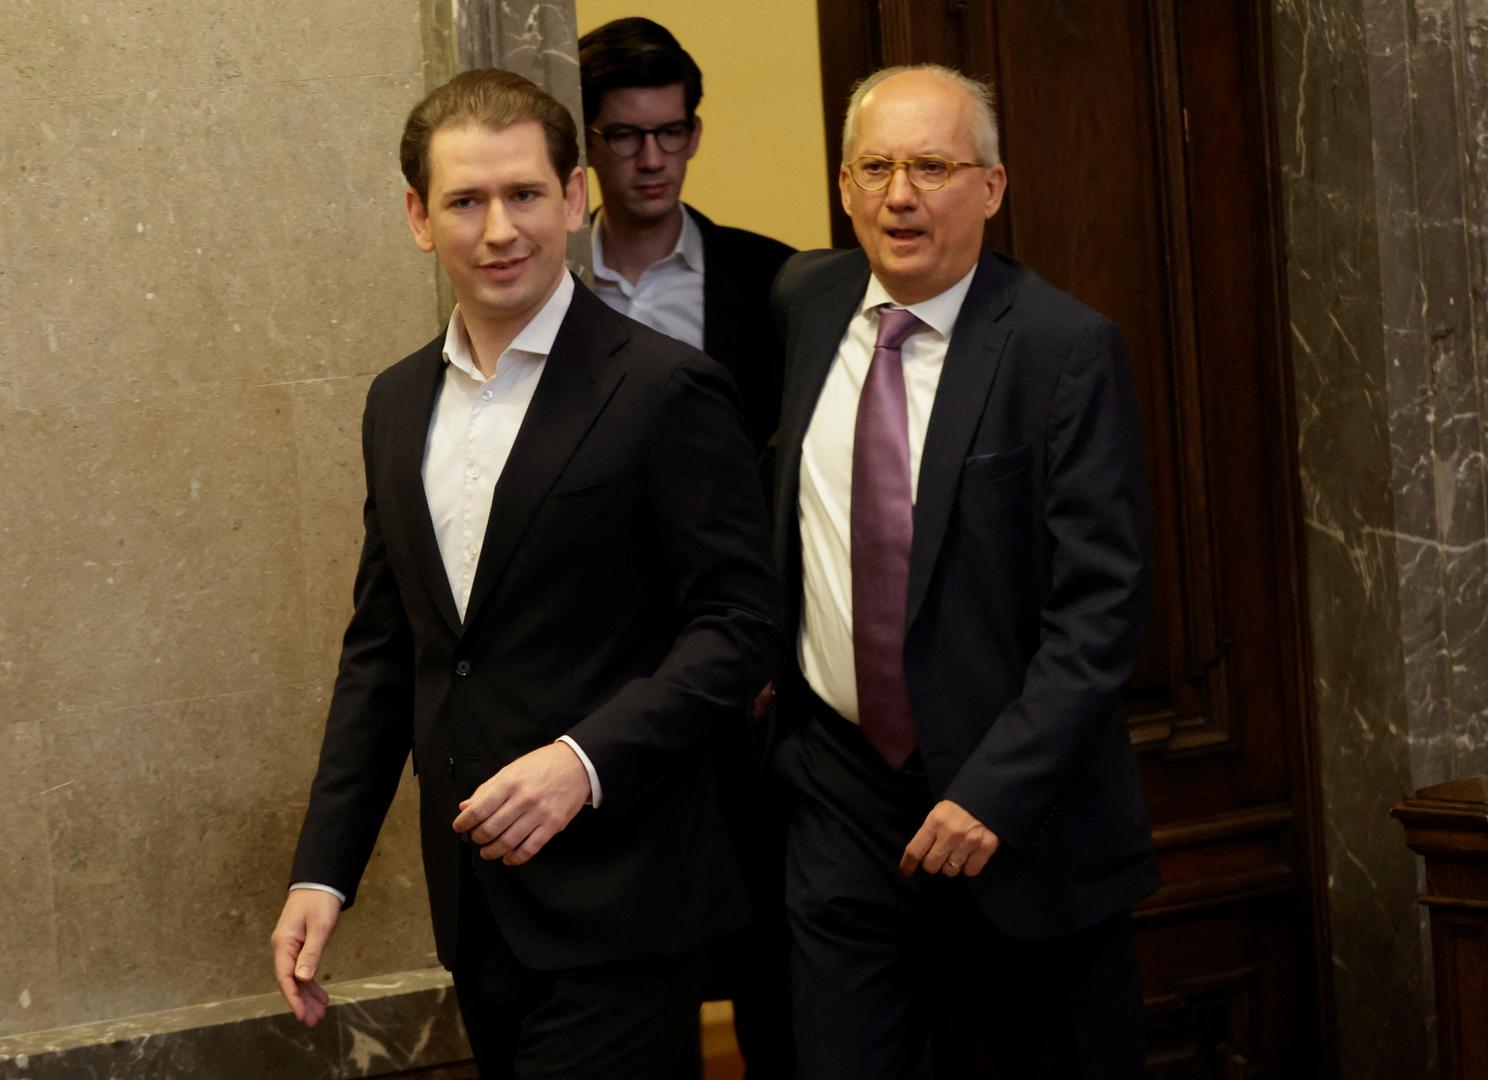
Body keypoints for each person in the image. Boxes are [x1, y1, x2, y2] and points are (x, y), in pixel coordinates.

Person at [268, 68, 782, 1080]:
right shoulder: (395, 403)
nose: (499, 228)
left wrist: (583, 760)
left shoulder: (666, 389)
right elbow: (386, 655)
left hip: (629, 903)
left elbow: (740, 625)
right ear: (419, 217)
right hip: (481, 914)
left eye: (524, 195)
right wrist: (324, 872)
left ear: (574, 196)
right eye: (465, 200)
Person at [769, 64, 1159, 1078]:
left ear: (991, 188)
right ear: (845, 185)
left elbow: (1102, 610)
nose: (902, 194)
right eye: (878, 166)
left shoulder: (1062, 349)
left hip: (1021, 828)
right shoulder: (804, 308)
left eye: (934, 166)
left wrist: (993, 792)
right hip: (841, 807)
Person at [578, 17, 794, 452]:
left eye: (670, 132)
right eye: (625, 136)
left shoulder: (775, 278)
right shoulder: (553, 280)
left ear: (693, 136)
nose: (653, 159)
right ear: (586, 144)